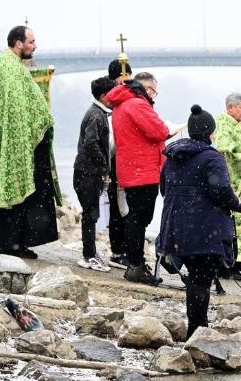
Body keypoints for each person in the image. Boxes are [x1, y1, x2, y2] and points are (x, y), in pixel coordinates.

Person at [159, 105, 241, 339]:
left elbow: (164, 189)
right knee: (201, 280)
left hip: (175, 228)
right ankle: (197, 331)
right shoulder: (212, 158)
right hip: (204, 230)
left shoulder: (172, 156)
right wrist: (237, 205)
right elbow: (221, 191)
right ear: (209, 132)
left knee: (195, 279)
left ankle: (195, 328)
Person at [0, 26, 58, 259]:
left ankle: (4, 241)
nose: (35, 45)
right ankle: (11, 243)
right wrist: (38, 126)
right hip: (16, 142)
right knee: (18, 193)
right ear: (18, 43)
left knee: (13, 194)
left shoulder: (7, 65)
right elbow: (16, 110)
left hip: (14, 140)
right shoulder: (10, 68)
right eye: (31, 41)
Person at [106, 71, 169, 284]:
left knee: (135, 218)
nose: (154, 96)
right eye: (154, 92)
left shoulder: (121, 104)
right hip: (143, 171)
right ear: (148, 89)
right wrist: (169, 128)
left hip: (131, 169)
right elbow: (159, 131)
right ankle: (136, 265)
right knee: (139, 219)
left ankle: (135, 262)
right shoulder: (137, 105)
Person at [73, 76, 116, 272]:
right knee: (90, 215)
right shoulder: (96, 116)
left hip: (87, 172)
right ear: (104, 96)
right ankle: (88, 256)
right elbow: (90, 143)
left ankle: (90, 253)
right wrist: (104, 165)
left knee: (91, 214)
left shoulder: (97, 113)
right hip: (87, 174)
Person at [214, 92, 241, 280]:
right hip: (232, 185)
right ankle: (226, 265)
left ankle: (236, 264)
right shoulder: (223, 123)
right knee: (230, 225)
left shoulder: (238, 125)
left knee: (239, 224)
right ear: (231, 107)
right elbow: (223, 152)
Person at [105, 59, 132, 268]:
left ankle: (129, 247)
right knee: (117, 206)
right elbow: (109, 144)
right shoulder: (109, 107)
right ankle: (118, 249)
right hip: (116, 162)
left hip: (131, 163)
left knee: (129, 207)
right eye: (121, 81)